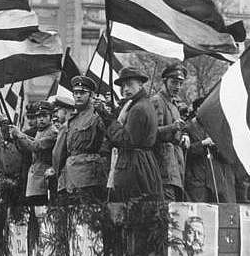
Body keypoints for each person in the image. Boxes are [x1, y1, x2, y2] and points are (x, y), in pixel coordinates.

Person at [100, 67, 163, 201]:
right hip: (143, 162)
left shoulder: (138, 108)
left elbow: (126, 140)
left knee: (132, 205)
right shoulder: (141, 104)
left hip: (134, 165)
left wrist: (111, 122)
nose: (125, 89)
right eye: (123, 86)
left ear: (140, 85)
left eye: (129, 85)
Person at [52, 76, 108, 204]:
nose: (77, 96)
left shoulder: (97, 116)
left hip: (88, 177)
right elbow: (59, 153)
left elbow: (107, 143)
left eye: (82, 93)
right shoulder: (72, 120)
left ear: (92, 95)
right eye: (75, 93)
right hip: (69, 177)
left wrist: (103, 112)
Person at [184, 99, 236, 203]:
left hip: (216, 178)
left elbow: (229, 155)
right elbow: (185, 151)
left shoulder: (216, 127)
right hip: (197, 176)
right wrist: (202, 143)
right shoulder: (188, 127)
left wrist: (216, 146)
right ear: (196, 110)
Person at [151, 63, 187, 201]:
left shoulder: (173, 104)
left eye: (180, 83)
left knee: (176, 203)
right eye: (173, 82)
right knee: (167, 202)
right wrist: (173, 127)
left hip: (175, 161)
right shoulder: (157, 101)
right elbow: (151, 133)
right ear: (164, 81)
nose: (177, 87)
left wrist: (183, 135)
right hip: (162, 162)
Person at [12, 102, 59, 205]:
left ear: (51, 117)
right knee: (33, 209)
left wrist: (19, 134)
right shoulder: (41, 130)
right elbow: (27, 144)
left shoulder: (53, 132)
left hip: (44, 177)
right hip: (35, 176)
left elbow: (35, 146)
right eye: (38, 116)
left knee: (42, 210)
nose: (41, 119)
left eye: (44, 116)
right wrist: (16, 137)